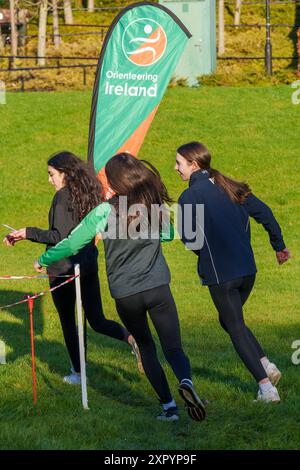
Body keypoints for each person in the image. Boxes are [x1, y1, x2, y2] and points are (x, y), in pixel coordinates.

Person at [33, 153, 207, 422]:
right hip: (157, 286)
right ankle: (186, 381)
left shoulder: (104, 211)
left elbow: (71, 243)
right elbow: (170, 234)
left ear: (115, 182)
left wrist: (44, 259)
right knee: (173, 347)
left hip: (126, 294)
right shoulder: (150, 209)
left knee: (147, 348)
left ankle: (169, 407)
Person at [3, 151, 143, 384]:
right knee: (97, 320)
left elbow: (59, 236)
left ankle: (78, 373)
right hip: (87, 264)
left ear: (65, 174)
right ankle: (132, 340)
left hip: (63, 269)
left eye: (52, 175)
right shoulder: (89, 192)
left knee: (69, 321)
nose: (50, 180)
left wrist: (28, 233)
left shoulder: (62, 197)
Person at [175, 141, 290, 403]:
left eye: (179, 163)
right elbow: (266, 213)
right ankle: (267, 366)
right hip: (248, 272)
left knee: (235, 326)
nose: (176, 168)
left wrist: (205, 254)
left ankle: (266, 388)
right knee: (230, 321)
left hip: (222, 276)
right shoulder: (231, 186)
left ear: (194, 165)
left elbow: (190, 240)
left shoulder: (189, 196)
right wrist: (279, 246)